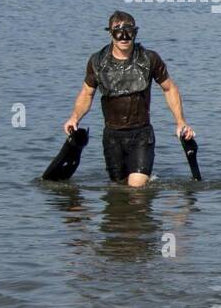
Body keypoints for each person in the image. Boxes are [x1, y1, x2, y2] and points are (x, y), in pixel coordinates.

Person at [64, 11, 195, 187]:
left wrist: (180, 121)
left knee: (136, 188)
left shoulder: (149, 59)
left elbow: (169, 88)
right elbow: (87, 93)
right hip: (112, 137)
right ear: (110, 33)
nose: (124, 37)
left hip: (141, 134)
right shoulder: (97, 61)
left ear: (135, 32)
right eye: (118, 32)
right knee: (119, 188)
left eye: (129, 32)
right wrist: (74, 117)